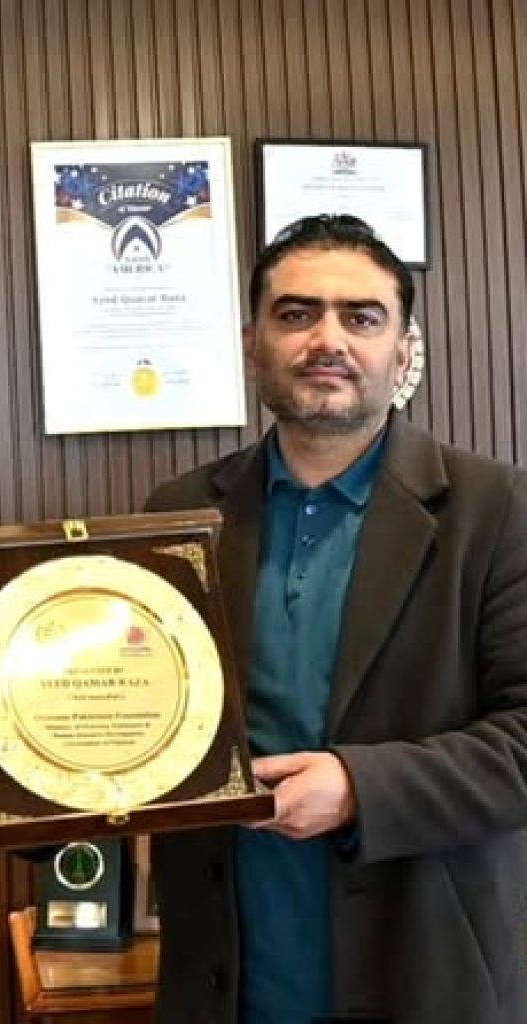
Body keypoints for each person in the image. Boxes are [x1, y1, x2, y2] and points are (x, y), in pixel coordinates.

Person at [146, 214, 527, 1024]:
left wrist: (359, 788)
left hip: (425, 976)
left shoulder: (498, 511)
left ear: (404, 350)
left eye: (362, 316)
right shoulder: (177, 513)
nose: (328, 339)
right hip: (227, 983)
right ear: (252, 345)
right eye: (296, 314)